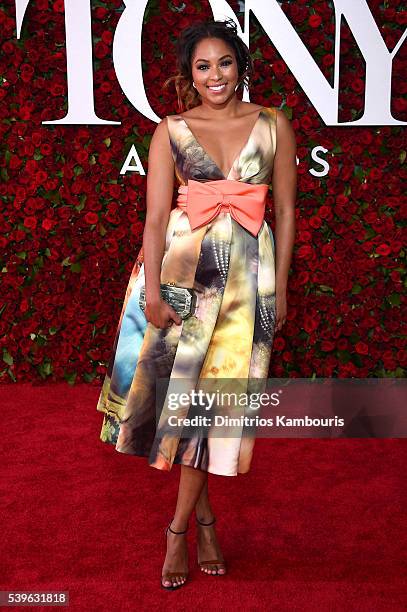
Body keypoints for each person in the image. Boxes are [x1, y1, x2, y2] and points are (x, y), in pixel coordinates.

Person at [96, 18, 296, 590]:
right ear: (190, 74)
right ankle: (192, 524)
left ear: (241, 67)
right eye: (202, 66)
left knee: (216, 405)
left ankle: (186, 525)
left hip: (247, 285)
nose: (215, 75)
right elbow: (156, 218)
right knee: (187, 407)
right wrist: (153, 293)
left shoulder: (274, 125)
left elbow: (285, 211)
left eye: (225, 63)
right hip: (182, 281)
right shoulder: (171, 130)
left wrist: (278, 290)